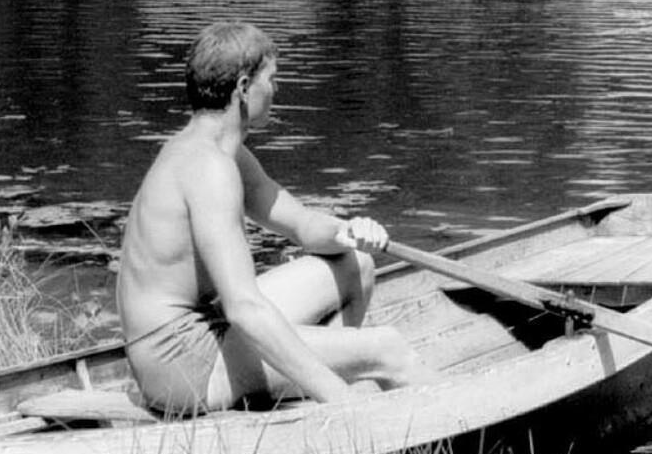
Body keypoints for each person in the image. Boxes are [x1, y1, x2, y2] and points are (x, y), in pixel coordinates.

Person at [115, 21, 439, 415]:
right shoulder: (208, 169)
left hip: (200, 335)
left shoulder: (221, 154)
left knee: (357, 265)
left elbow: (302, 225)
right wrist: (342, 400)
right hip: (182, 367)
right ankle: (359, 413)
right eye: (272, 78)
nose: (277, 89)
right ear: (243, 88)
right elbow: (244, 307)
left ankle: (305, 395)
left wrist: (349, 232)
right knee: (388, 347)